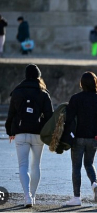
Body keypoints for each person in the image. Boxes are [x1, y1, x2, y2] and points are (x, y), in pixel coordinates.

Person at [5, 64, 53, 207]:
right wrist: (44, 128)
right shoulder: (43, 93)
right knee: (36, 165)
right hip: (38, 134)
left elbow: (11, 115)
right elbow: (50, 116)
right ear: (38, 76)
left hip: (20, 132)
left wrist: (10, 131)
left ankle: (27, 196)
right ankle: (33, 196)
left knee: (23, 166)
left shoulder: (17, 91)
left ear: (25, 75)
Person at [65, 72, 97, 206]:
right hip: (94, 137)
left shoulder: (75, 98)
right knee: (89, 164)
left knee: (76, 167)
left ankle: (76, 198)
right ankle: (94, 184)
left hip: (77, 137)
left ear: (81, 84)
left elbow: (69, 119)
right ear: (96, 83)